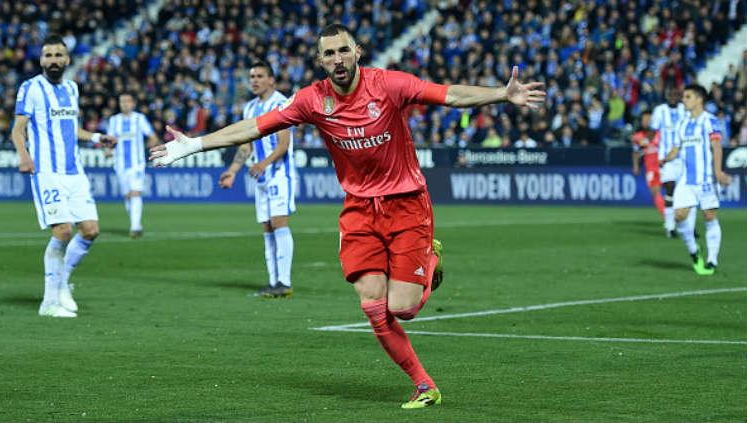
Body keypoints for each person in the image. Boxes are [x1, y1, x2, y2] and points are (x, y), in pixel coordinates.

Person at [151, 24, 545, 408]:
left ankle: (431, 254)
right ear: (320, 61)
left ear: (358, 52)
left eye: (343, 50)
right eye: (328, 53)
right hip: (359, 210)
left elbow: (449, 96)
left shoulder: (388, 84)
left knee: (403, 308)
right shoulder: (311, 99)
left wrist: (499, 94)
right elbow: (256, 127)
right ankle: (424, 384)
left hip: (406, 202)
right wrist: (194, 145)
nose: (337, 59)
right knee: (373, 305)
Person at [11, 35, 115, 318]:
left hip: (75, 171)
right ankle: (49, 302)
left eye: (59, 55)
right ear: (41, 60)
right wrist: (24, 156)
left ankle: (62, 283)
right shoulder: (30, 87)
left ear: (67, 59)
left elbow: (72, 128)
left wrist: (96, 137)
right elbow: (18, 129)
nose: (53, 60)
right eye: (48, 55)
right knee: (63, 231)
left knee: (91, 230)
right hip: (47, 171)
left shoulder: (71, 88)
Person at [219, 61, 296, 298]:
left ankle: (284, 281)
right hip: (260, 177)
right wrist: (232, 170)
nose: (254, 80)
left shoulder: (280, 104)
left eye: (260, 76)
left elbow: (284, 144)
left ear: (271, 80)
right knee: (266, 226)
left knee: (278, 222)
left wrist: (264, 163)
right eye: (252, 76)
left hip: (280, 174)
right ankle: (273, 282)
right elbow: (246, 146)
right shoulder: (250, 108)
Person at [663, 84, 732, 275]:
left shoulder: (710, 120)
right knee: (679, 215)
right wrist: (667, 157)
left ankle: (712, 260)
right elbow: (678, 148)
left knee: (709, 216)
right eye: (684, 97)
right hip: (686, 179)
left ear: (699, 99)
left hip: (706, 178)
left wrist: (718, 171)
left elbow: (717, 146)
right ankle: (694, 250)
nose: (684, 100)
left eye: (688, 97)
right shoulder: (682, 124)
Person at [106, 93, 159, 238]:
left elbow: (152, 136)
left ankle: (134, 227)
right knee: (127, 195)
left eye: (127, 101)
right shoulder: (114, 120)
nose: (124, 104)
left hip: (137, 163)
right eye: (121, 101)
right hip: (120, 164)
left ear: (133, 104)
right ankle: (136, 224)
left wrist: (148, 148)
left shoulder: (139, 119)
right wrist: (108, 150)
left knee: (135, 192)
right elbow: (110, 140)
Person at [651, 87, 688, 237]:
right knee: (670, 189)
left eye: (675, 94)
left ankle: (685, 226)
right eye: (670, 94)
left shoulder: (684, 109)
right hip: (666, 158)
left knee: (684, 193)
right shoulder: (660, 110)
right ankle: (670, 226)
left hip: (683, 157)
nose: (673, 97)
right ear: (666, 95)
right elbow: (653, 131)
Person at [631, 110, 665, 216]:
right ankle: (668, 218)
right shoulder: (637, 137)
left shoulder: (661, 134)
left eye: (649, 120)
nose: (646, 122)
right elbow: (636, 152)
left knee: (672, 191)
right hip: (650, 168)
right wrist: (636, 166)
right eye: (644, 120)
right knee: (655, 192)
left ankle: (674, 216)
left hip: (664, 167)